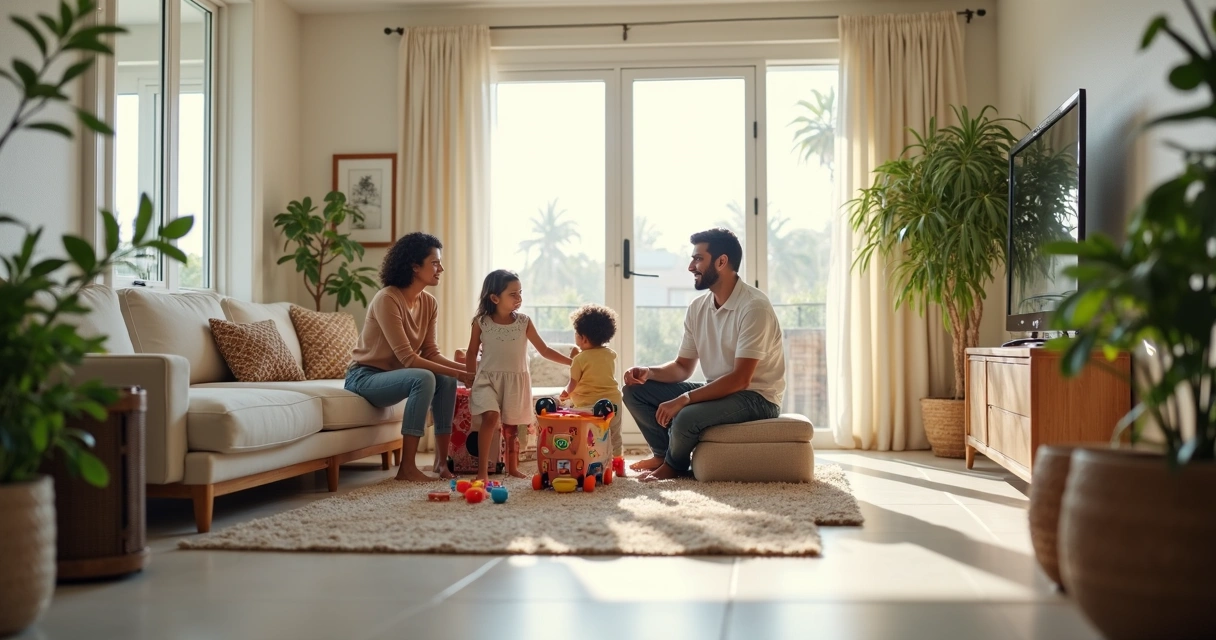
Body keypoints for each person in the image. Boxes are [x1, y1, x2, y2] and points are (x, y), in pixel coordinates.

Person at [623, 228, 786, 482]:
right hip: (718, 389)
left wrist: (684, 399)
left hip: (757, 397)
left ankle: (673, 466)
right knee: (636, 391)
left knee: (686, 415)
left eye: (698, 258)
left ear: (721, 262)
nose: (690, 266)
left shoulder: (754, 307)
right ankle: (662, 453)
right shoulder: (698, 308)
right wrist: (649, 372)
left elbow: (741, 379)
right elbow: (682, 367)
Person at [345, 232, 473, 482]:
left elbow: (431, 353)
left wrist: (464, 371)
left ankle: (440, 463)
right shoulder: (387, 299)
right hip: (365, 377)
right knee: (425, 377)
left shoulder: (429, 303)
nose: (441, 268)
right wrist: (460, 373)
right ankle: (407, 468)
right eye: (435, 263)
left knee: (445, 380)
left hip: (395, 376)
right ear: (415, 266)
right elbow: (407, 357)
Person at [466, 269, 574, 483]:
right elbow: (471, 352)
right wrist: (470, 376)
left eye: (520, 293)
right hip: (487, 380)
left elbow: (544, 350)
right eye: (513, 294)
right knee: (490, 417)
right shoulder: (481, 322)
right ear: (495, 298)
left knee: (512, 428)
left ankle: (512, 467)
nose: (519, 298)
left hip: (516, 380)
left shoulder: (524, 322)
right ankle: (482, 472)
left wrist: (573, 362)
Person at [560, 304, 625, 473]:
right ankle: (618, 465)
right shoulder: (610, 354)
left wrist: (565, 393)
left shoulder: (579, 359)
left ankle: (587, 462)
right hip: (613, 402)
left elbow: (573, 383)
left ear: (584, 338)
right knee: (614, 434)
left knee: (588, 436)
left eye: (576, 333)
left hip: (587, 406)